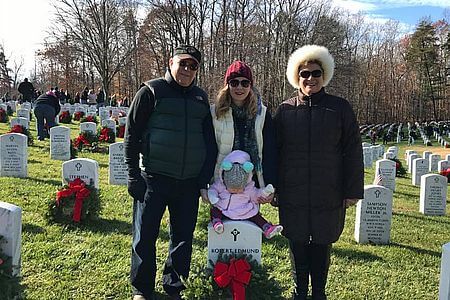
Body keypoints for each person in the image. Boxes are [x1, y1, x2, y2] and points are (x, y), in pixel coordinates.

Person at [124, 44, 217, 300]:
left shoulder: (200, 98)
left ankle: (174, 286)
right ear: (171, 62)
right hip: (154, 177)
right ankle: (141, 289)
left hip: (187, 183)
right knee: (145, 236)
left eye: (193, 66)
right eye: (183, 63)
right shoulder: (151, 91)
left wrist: (203, 178)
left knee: (183, 238)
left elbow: (209, 141)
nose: (187, 69)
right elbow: (131, 135)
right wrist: (133, 174)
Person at [274, 45, 364, 300]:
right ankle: (299, 292)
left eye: (315, 73)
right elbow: (274, 153)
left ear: (324, 76)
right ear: (296, 76)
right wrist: (274, 187)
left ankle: (319, 293)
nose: (310, 79)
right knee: (298, 243)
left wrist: (352, 191)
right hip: (294, 191)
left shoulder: (340, 109)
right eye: (304, 74)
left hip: (329, 190)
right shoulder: (285, 111)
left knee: (322, 245)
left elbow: (353, 151)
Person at [210, 60, 277, 199]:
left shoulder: (262, 114)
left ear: (250, 86)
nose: (239, 87)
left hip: (251, 185)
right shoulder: (215, 113)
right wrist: (205, 182)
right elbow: (209, 149)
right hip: (222, 183)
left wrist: (270, 184)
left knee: (247, 219)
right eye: (234, 82)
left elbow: (269, 152)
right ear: (227, 85)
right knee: (221, 221)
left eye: (245, 83)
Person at [208, 150, 283, 238]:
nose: (235, 191)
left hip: (244, 212)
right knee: (215, 211)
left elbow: (256, 194)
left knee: (256, 217)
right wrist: (213, 196)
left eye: (239, 189)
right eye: (231, 189)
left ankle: (267, 227)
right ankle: (217, 222)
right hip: (224, 210)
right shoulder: (220, 185)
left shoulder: (249, 188)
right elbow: (213, 189)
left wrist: (265, 192)